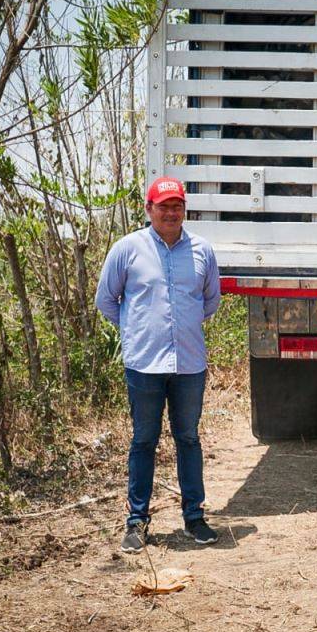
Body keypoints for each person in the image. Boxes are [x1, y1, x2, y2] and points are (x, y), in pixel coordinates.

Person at [95, 177, 221, 552]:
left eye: (176, 206)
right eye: (163, 206)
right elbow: (107, 300)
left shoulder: (202, 251)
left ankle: (194, 518)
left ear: (185, 210)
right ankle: (136, 521)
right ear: (149, 209)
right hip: (144, 365)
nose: (170, 212)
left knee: (188, 439)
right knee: (143, 441)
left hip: (189, 365)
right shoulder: (127, 249)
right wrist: (136, 331)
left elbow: (209, 300)